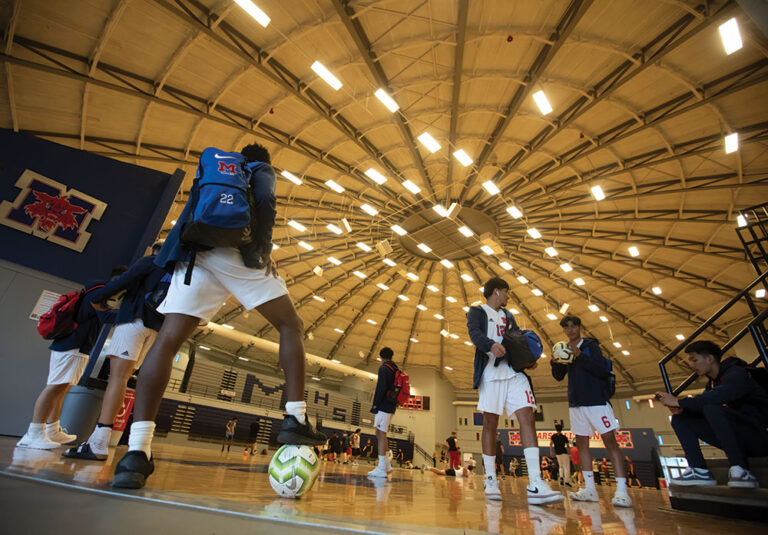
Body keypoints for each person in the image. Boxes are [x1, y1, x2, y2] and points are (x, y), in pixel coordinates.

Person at [110, 143, 325, 489]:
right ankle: (295, 417)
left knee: (166, 342)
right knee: (290, 325)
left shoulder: (215, 169)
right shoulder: (259, 170)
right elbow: (266, 201)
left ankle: (136, 453)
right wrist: (261, 250)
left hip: (193, 256)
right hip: (236, 252)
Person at [64, 242, 169, 461]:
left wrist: (98, 297)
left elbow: (124, 280)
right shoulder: (174, 268)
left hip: (133, 321)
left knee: (117, 378)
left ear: (154, 251)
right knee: (127, 378)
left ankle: (99, 441)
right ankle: (122, 441)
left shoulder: (151, 261)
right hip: (155, 329)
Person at [467, 277, 562, 505]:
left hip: (514, 374)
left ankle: (536, 483)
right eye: (506, 292)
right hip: (490, 373)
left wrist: (527, 359)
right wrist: (490, 345)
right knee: (490, 424)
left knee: (528, 418)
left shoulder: (509, 316)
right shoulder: (477, 311)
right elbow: (474, 334)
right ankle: (490, 478)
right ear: (497, 291)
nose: (509, 296)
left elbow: (517, 340)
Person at [17, 266, 127, 450]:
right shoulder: (99, 293)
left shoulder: (99, 293)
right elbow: (107, 317)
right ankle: (33, 433)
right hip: (70, 346)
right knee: (54, 388)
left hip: (78, 348)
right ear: (118, 280)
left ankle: (52, 429)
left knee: (62, 388)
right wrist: (132, 312)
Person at [656, 340, 768, 488]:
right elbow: (705, 401)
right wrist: (682, 409)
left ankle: (741, 469)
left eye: (694, 360)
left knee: (711, 408)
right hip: (742, 438)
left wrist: (680, 402)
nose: (691, 365)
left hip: (760, 436)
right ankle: (699, 470)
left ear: (710, 359)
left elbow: (720, 396)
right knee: (680, 419)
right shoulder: (712, 384)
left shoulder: (737, 373)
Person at [551, 315, 630, 507]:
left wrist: (580, 355)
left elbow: (600, 369)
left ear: (579, 327)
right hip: (576, 404)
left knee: (610, 442)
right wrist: (555, 362)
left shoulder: (590, 345)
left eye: (573, 326)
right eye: (566, 328)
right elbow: (559, 377)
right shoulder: (565, 348)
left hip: (596, 401)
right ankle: (589, 489)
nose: (570, 330)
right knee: (582, 445)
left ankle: (621, 491)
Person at [368, 347, 399, 478]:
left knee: (380, 434)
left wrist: (375, 405)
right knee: (380, 433)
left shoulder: (384, 369)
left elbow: (380, 388)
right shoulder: (395, 368)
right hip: (391, 405)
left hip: (384, 406)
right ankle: (386, 465)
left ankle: (381, 468)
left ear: (381, 357)